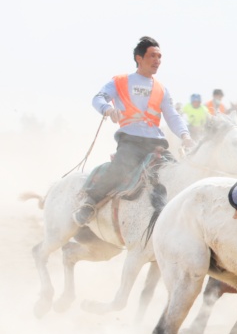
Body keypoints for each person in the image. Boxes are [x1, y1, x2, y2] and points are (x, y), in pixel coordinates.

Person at [73, 36, 195, 226]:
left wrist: (185, 136)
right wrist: (108, 110)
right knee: (119, 169)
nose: (157, 61)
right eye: (152, 56)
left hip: (156, 144)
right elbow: (98, 98)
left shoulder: (162, 89)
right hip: (131, 141)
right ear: (139, 58)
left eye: (160, 57)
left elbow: (172, 116)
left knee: (176, 174)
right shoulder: (120, 81)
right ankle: (90, 203)